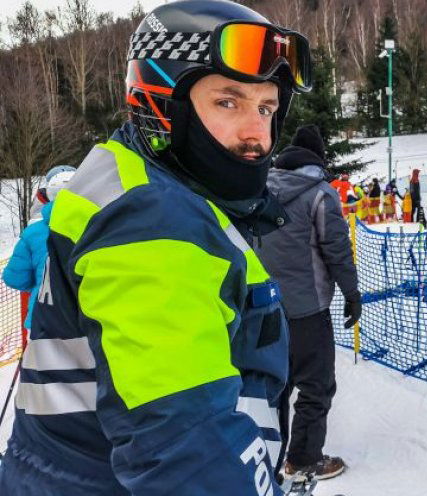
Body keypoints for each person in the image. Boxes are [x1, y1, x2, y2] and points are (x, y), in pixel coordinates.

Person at [0, 1, 312, 494]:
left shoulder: (144, 183)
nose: (257, 134)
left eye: (267, 108)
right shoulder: (152, 224)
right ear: (162, 103)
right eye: (228, 102)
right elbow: (189, 452)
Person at [257, 124, 360, 480]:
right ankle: (303, 459)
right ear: (318, 159)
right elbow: (337, 251)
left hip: (264, 310)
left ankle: (266, 461)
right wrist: (352, 292)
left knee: (273, 389)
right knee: (316, 387)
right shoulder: (320, 194)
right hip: (307, 312)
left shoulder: (260, 187)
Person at [2, 166, 76, 331]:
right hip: (90, 324)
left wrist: (41, 283)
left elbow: (14, 278)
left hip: (43, 322)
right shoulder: (102, 230)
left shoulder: (33, 233)